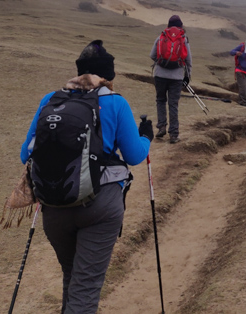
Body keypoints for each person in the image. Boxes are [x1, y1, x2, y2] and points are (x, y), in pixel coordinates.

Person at [19, 39, 152, 313]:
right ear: (107, 75)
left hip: (54, 205)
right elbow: (135, 156)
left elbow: (25, 154)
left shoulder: (51, 99)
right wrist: (146, 137)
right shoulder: (116, 102)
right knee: (86, 286)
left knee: (74, 277)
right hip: (100, 207)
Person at [150, 15, 192, 144]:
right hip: (176, 77)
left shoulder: (161, 37)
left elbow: (152, 55)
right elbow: (188, 59)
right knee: (173, 104)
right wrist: (187, 75)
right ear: (181, 25)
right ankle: (174, 134)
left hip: (160, 75)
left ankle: (161, 127)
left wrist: (162, 62)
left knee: (160, 100)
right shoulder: (183, 39)